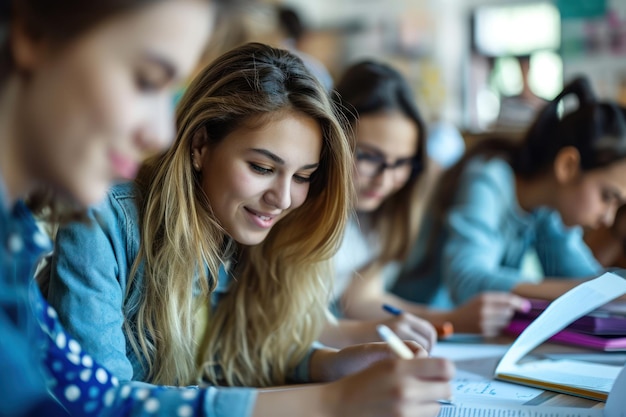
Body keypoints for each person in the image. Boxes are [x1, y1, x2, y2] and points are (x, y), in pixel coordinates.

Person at [42, 43, 453, 416]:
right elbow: (101, 404)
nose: (284, 199)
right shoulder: (101, 220)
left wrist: (329, 363)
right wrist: (330, 400)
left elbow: (233, 357)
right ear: (200, 145)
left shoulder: (243, 230)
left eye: (303, 176)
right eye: (262, 168)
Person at [0, 0, 220, 415]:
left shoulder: (13, 239)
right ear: (33, 36)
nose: (161, 133)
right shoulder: (100, 219)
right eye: (146, 81)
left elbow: (98, 398)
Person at [322, 61, 527, 344]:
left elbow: (361, 299)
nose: (385, 181)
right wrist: (450, 320)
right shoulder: (300, 207)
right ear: (334, 138)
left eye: (401, 163)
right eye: (368, 157)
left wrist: (449, 320)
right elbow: (295, 328)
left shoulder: (385, 213)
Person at [392, 76, 626, 319]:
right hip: (421, 324)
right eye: (607, 196)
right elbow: (465, 279)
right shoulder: (489, 177)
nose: (608, 217)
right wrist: (583, 292)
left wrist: (604, 289)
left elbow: (585, 277)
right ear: (567, 166)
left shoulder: (549, 210)